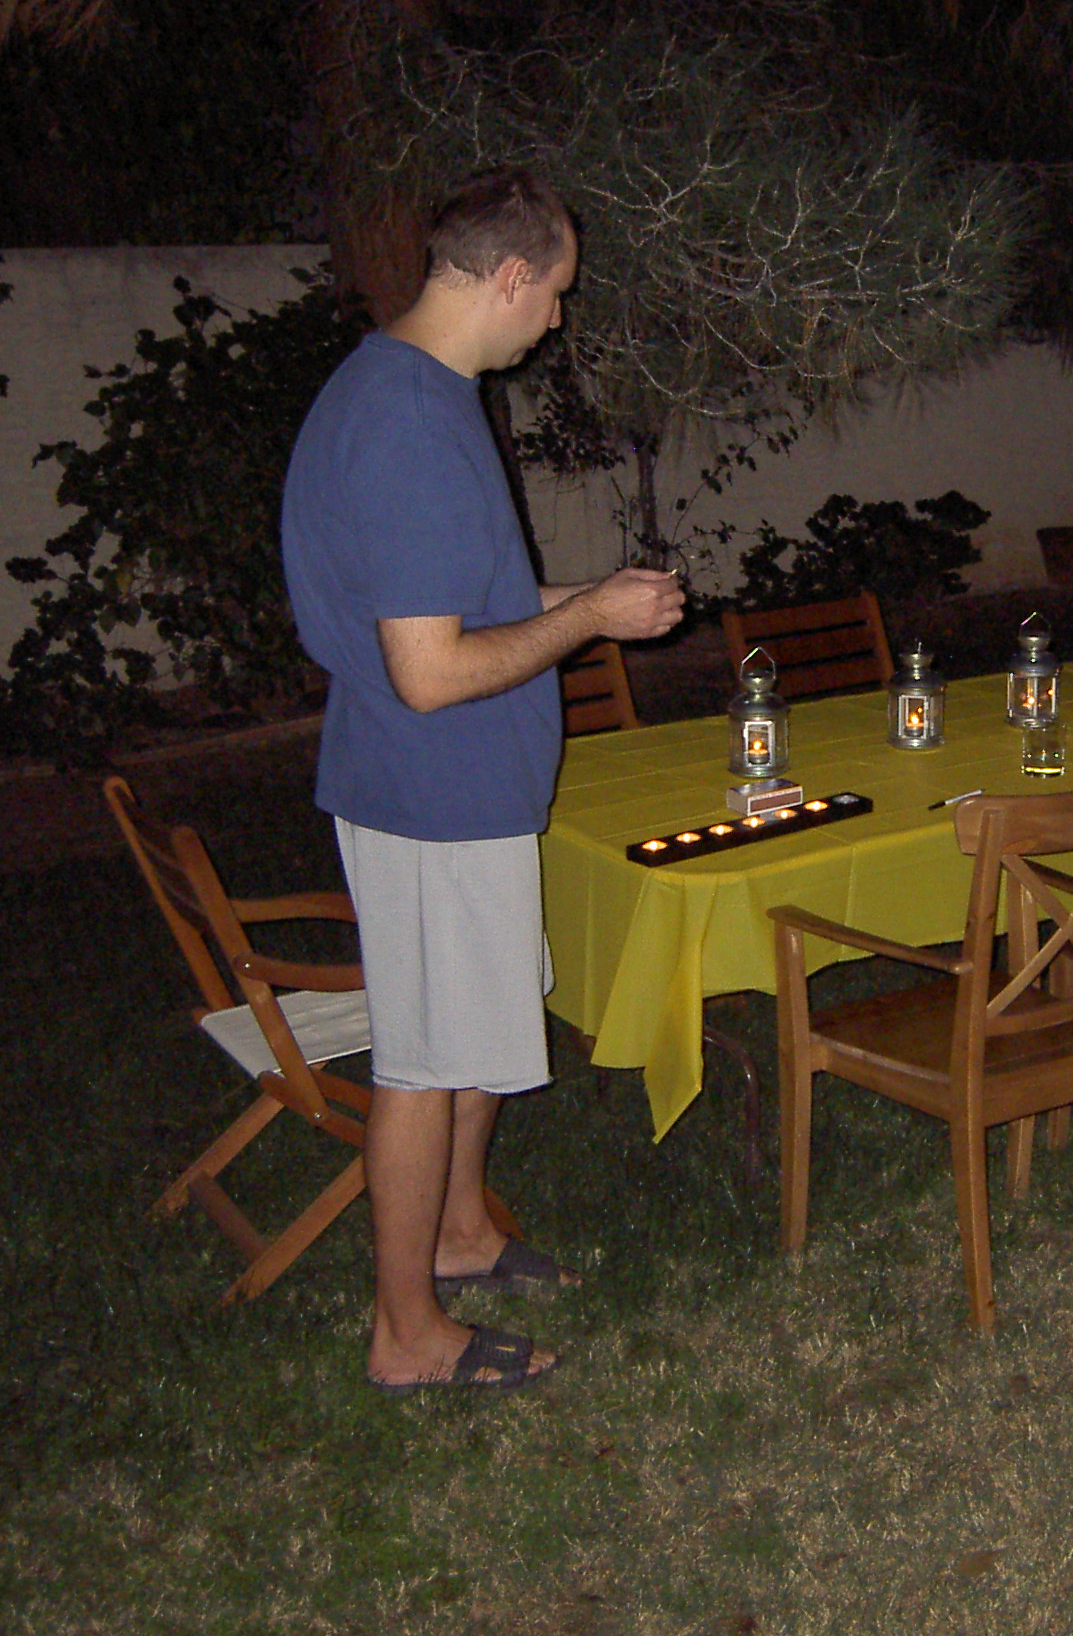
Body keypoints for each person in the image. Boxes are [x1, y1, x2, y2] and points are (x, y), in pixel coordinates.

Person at [281, 167, 683, 1392]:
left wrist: (593, 600)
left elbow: (464, 605)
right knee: (422, 1064)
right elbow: (430, 672)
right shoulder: (408, 424)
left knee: (466, 1037)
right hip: (429, 795)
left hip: (461, 796)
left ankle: (459, 1232)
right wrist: (589, 620)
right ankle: (405, 1333)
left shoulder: (412, 390)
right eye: (554, 293)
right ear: (509, 278)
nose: (557, 319)